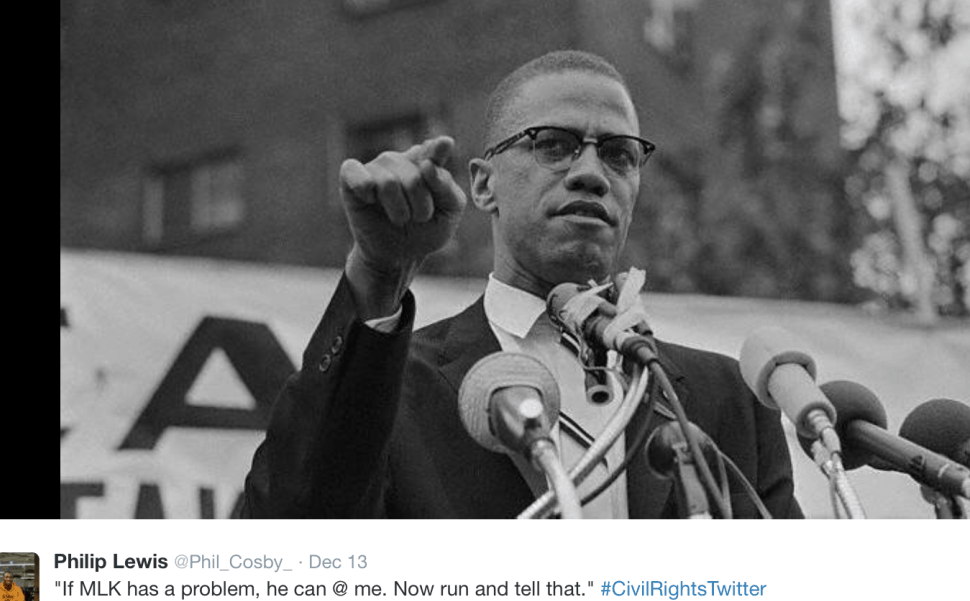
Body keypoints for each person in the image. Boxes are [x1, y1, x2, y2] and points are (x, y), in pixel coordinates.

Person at [241, 50, 802, 519]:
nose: (591, 173)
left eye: (619, 154)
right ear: (484, 185)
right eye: (553, 145)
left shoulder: (726, 399)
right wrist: (378, 272)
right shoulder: (393, 386)